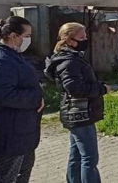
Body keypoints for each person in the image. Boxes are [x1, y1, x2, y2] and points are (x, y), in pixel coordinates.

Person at [44, 22, 110, 183]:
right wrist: (101, 89)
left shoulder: (71, 58)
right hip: (79, 114)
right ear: (68, 39)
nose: (85, 39)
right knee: (89, 158)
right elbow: (75, 88)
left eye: (85, 36)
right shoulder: (68, 61)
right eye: (81, 37)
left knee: (76, 156)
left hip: (78, 113)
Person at [0, 16, 44, 183]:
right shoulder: (0, 60)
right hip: (10, 134)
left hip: (22, 131)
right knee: (7, 178)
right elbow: (5, 96)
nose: (29, 40)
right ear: (13, 36)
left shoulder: (11, 55)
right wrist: (35, 98)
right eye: (26, 35)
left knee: (21, 174)